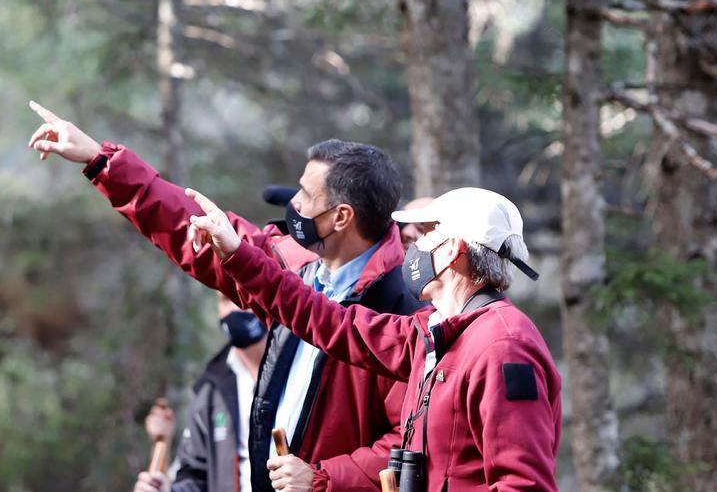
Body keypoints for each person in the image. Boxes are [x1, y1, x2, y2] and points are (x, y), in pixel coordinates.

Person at [27, 101, 422, 492]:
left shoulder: (403, 311)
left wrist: (323, 477)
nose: (293, 205)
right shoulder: (295, 269)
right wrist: (100, 161)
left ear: (341, 217)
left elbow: (408, 442)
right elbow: (189, 228)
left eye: (304, 195)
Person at [182, 186, 562, 492]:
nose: (413, 245)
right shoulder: (430, 333)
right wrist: (236, 253)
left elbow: (524, 485)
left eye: (427, 234)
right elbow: (329, 321)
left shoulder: (503, 346)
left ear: (452, 250)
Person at [135, 293, 268, 492]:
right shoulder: (209, 389)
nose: (234, 308)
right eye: (225, 300)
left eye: (242, 298)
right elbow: (195, 473)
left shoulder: (300, 368)